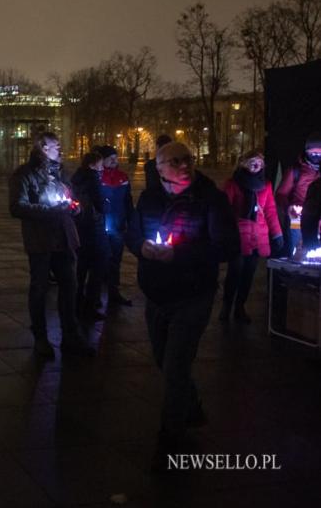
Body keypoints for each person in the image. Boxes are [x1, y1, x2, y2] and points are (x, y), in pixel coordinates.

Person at [125, 142, 239, 471]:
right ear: (159, 167)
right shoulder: (149, 198)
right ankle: (191, 408)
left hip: (193, 294)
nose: (185, 165)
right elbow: (132, 234)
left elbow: (228, 246)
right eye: (175, 161)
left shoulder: (210, 199)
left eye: (188, 159)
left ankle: (171, 436)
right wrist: (142, 249)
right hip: (157, 294)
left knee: (176, 365)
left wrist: (181, 254)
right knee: (164, 360)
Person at [9, 131, 96, 359]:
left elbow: (72, 198)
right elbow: (17, 207)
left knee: (70, 286)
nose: (61, 149)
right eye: (56, 145)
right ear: (42, 148)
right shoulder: (24, 174)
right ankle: (40, 337)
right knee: (39, 288)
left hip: (65, 238)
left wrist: (75, 207)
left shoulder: (61, 173)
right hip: (41, 240)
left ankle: (70, 335)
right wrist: (51, 211)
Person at [221, 150, 283, 323]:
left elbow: (270, 212)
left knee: (249, 274)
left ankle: (240, 306)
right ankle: (227, 306)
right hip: (238, 236)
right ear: (243, 163)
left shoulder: (266, 185)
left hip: (258, 237)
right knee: (235, 272)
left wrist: (277, 234)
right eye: (252, 161)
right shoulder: (233, 184)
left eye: (259, 162)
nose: (256, 165)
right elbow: (223, 210)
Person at [70, 151, 109, 322]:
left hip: (80, 225)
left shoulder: (76, 178)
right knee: (98, 266)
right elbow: (100, 203)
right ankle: (90, 306)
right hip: (94, 227)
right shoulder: (93, 179)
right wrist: (106, 205)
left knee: (81, 267)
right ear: (93, 165)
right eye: (101, 164)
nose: (103, 168)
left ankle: (76, 303)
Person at [97, 145, 134, 306]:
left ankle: (114, 292)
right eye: (110, 157)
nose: (114, 160)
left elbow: (128, 201)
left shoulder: (123, 177)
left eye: (115, 157)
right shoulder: (97, 177)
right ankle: (95, 296)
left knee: (115, 260)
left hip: (118, 225)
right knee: (99, 261)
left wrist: (131, 221)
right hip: (101, 227)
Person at [275, 132, 321, 255]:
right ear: (306, 152)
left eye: (320, 153)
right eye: (313, 153)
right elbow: (281, 195)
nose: (316, 156)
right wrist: (289, 208)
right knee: (297, 257)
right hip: (298, 221)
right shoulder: (295, 171)